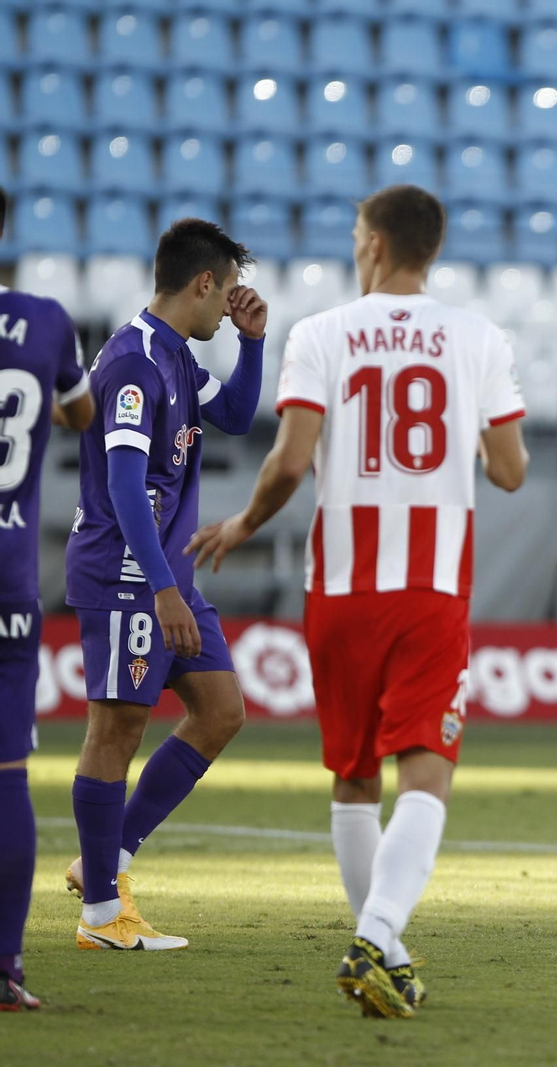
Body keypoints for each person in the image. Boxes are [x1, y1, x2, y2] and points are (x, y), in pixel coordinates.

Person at [188, 185, 527, 1018]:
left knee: (351, 774)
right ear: (429, 249)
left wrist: (241, 522)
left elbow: (291, 462)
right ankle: (376, 933)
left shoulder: (321, 333)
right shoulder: (477, 337)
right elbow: (512, 471)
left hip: (339, 586)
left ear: (374, 243)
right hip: (430, 584)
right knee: (426, 768)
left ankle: (389, 951)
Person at [64, 218, 266, 951]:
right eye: (228, 295)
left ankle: (105, 864)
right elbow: (123, 484)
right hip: (129, 573)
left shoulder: (180, 357)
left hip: (164, 576)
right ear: (202, 282)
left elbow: (240, 415)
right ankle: (100, 916)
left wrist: (252, 342)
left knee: (220, 709)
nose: (229, 307)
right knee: (116, 727)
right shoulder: (135, 359)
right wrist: (161, 586)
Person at [0, 185, 95, 1008]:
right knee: (6, 773)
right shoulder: (46, 320)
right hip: (11, 583)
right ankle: (3, 969)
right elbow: (79, 412)